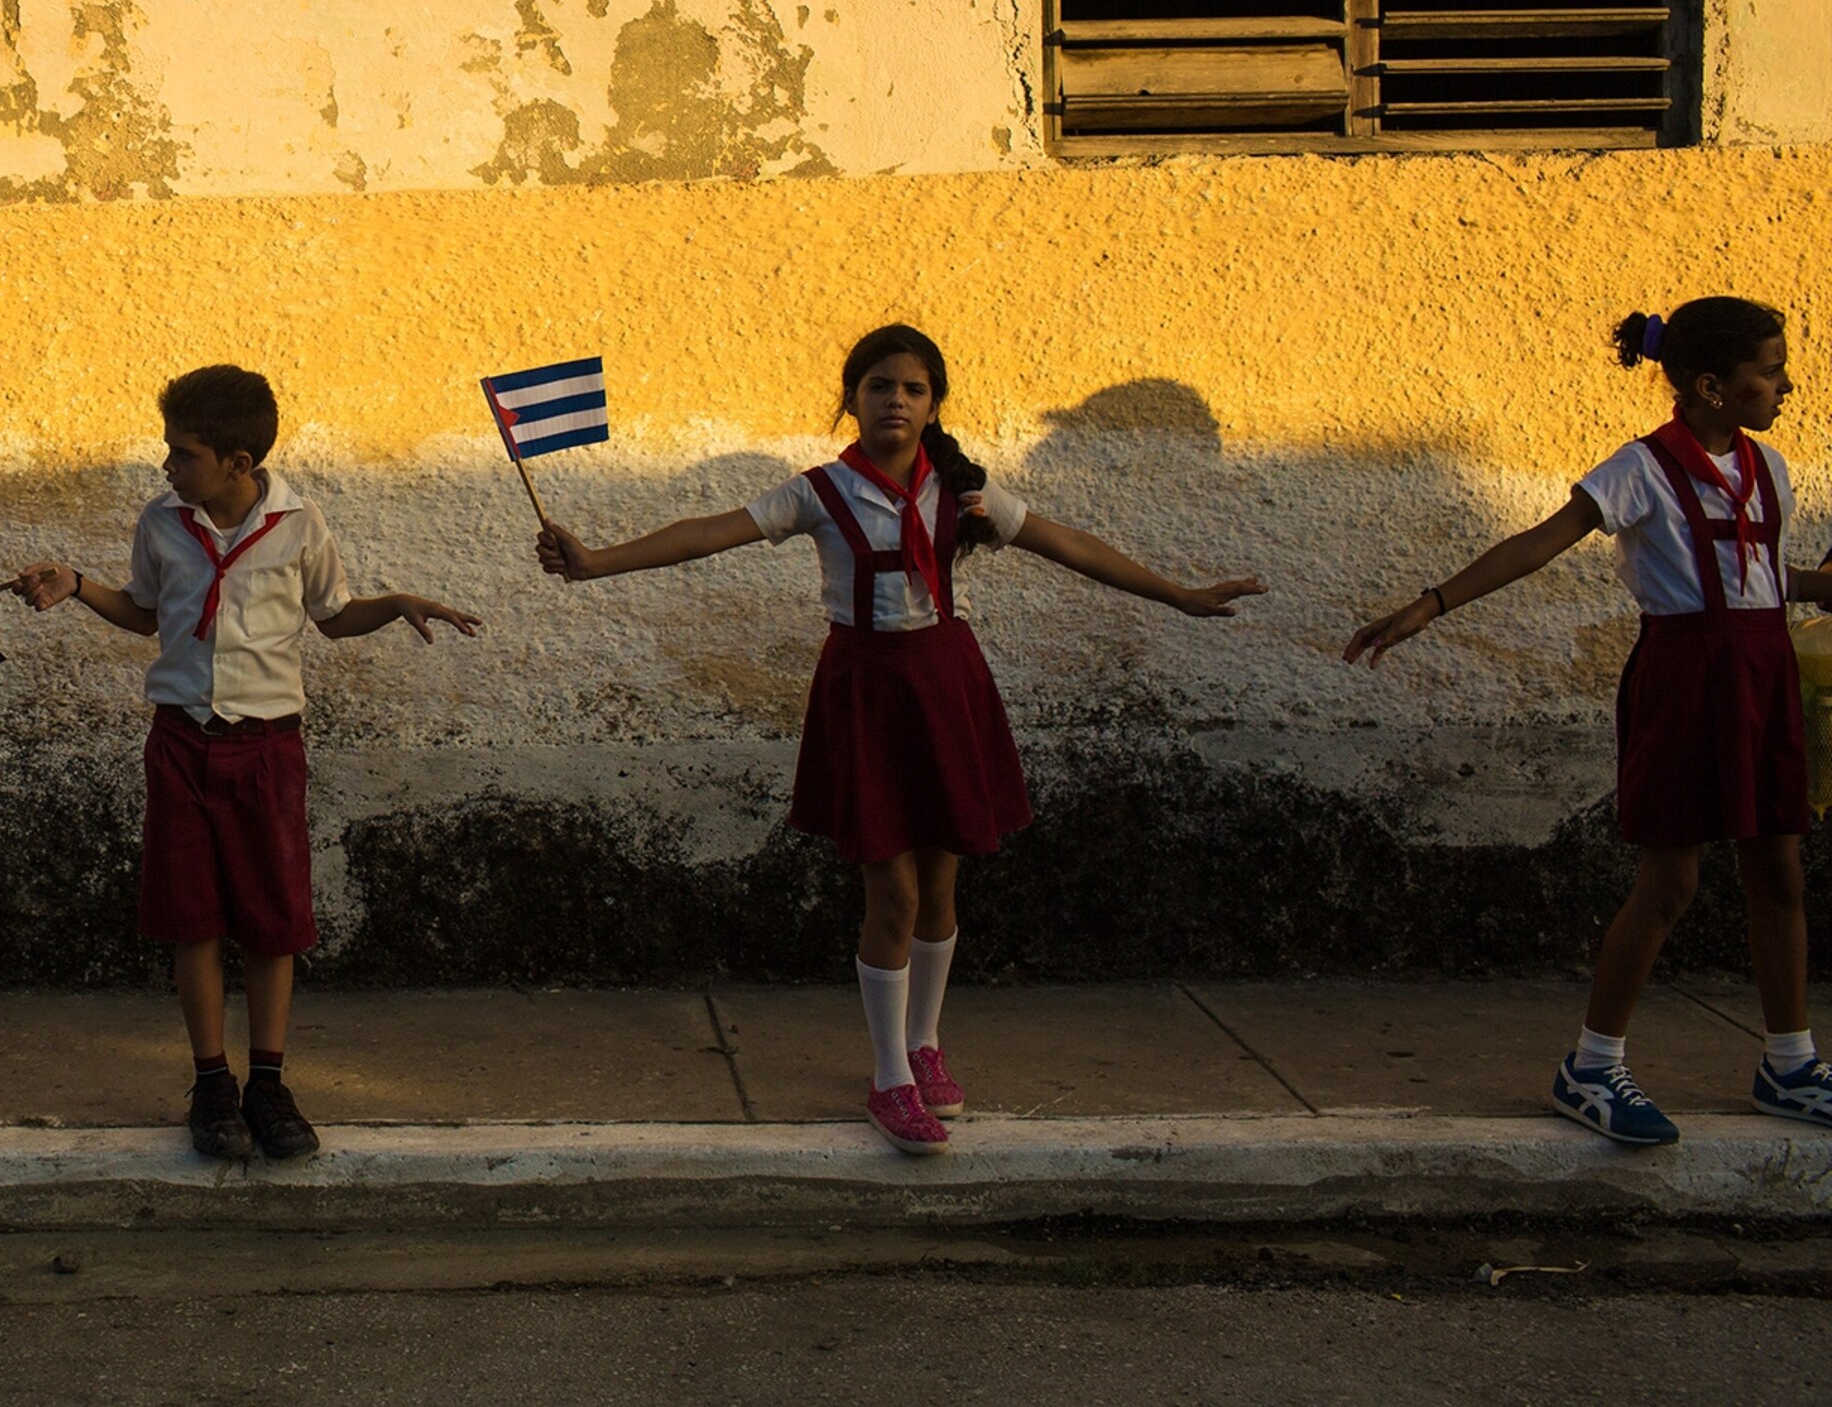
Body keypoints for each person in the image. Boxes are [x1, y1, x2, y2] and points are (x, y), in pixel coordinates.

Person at [535, 325, 1262, 1156]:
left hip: (946, 689)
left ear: (934, 405)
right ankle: (888, 1078)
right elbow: (708, 533)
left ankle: (925, 1044)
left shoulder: (965, 494)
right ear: (851, 399)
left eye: (914, 389)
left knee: (941, 888)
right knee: (895, 894)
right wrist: (596, 562)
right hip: (868, 695)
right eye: (879, 386)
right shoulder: (819, 492)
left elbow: (1070, 546)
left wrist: (1179, 597)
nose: (896, 401)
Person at [1348, 298, 1832, 1146]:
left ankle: (1789, 1065)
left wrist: (1821, 587)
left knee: (1780, 872)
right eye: (1769, 370)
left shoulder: (1773, 469)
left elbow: (1762, 576)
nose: (1786, 384)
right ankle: (1592, 1066)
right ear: (1711, 386)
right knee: (1670, 880)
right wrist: (1432, 603)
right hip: (1685, 681)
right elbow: (1541, 541)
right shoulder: (1641, 469)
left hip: (1763, 677)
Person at [14, 364, 481, 1163]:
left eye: (183, 454)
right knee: (191, 918)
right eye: (169, 450)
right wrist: (79, 586)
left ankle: (268, 1080)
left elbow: (333, 616)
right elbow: (145, 613)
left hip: (266, 747)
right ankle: (212, 1083)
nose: (168, 466)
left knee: (272, 921)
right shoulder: (162, 522)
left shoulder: (299, 524)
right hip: (182, 741)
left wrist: (394, 604)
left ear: (239, 462)